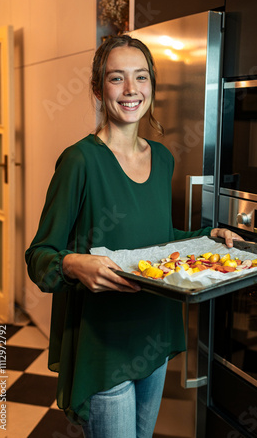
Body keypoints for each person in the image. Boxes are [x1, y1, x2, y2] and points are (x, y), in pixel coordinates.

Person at [25, 34, 242, 438]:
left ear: (152, 86)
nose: (131, 90)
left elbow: (156, 239)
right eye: (116, 78)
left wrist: (206, 236)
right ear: (97, 88)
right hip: (105, 343)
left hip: (154, 335)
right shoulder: (80, 161)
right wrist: (72, 263)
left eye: (140, 77)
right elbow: (40, 255)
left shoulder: (161, 158)